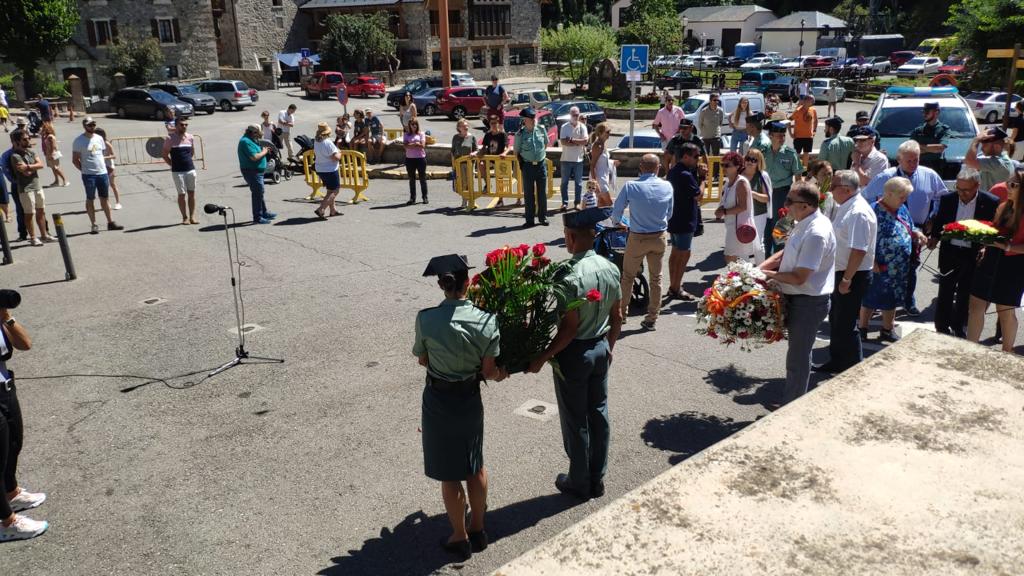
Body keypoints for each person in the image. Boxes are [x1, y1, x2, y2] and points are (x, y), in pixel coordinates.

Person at [413, 254, 505, 561]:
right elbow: (490, 371)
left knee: (449, 473)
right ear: (469, 283)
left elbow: (422, 357)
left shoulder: (426, 319)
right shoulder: (487, 320)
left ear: (441, 285)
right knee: (474, 462)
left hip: (439, 399)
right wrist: (501, 372)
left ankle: (459, 536)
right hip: (469, 397)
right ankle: (478, 528)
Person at [527, 208, 622, 501]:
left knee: (575, 420)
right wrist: (609, 347)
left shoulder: (569, 274)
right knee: (599, 414)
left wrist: (542, 357)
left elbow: (569, 329)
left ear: (570, 237)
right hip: (600, 347)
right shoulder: (610, 267)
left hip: (575, 353)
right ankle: (598, 478)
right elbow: (617, 317)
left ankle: (579, 481)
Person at [759, 181, 836, 408]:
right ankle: (792, 400)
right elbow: (785, 252)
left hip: (808, 302)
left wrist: (764, 274)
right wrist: (758, 270)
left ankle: (792, 406)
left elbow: (800, 276)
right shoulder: (803, 222)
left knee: (798, 358)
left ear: (804, 205)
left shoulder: (816, 233)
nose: (785, 205)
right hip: (799, 298)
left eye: (789, 201)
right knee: (796, 355)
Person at [862, 140, 945, 315]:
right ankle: (877, 303)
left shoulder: (929, 175)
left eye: (916, 160)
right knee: (882, 271)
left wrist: (933, 217)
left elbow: (941, 197)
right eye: (909, 160)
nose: (914, 164)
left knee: (910, 267)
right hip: (885, 230)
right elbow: (865, 198)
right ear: (899, 159)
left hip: (917, 228)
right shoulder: (885, 177)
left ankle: (908, 300)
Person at [813, 170, 876, 374]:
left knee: (846, 323)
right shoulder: (847, 206)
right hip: (843, 272)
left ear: (847, 189)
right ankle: (838, 361)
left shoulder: (858, 212)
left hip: (852, 275)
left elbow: (859, 250)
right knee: (837, 320)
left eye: (834, 187)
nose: (830, 190)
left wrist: (847, 279)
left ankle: (853, 369)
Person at [0, 290, 50, 542]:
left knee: (13, 445)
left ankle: (12, 493)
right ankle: (6, 522)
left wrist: (6, 317)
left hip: (5, 388)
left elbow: (25, 344)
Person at [928, 167, 999, 337]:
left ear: (977, 186)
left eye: (966, 190)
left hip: (972, 254)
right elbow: (939, 222)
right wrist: (934, 238)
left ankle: (959, 326)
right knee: (945, 290)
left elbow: (993, 229)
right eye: (958, 189)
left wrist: (985, 246)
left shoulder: (990, 202)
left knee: (965, 293)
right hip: (950, 252)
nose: (962, 194)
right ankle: (942, 327)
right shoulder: (948, 199)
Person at [610, 154, 674, 330]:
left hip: (637, 236)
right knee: (656, 278)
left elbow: (617, 211)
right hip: (659, 236)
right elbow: (670, 213)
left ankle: (622, 313)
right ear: (658, 167)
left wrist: (619, 223)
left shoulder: (631, 186)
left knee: (628, 276)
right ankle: (652, 317)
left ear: (640, 167)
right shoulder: (667, 186)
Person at [967, 167, 1024, 353]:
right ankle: (970, 347)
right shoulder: (1003, 207)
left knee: (1005, 310)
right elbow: (995, 233)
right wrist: (985, 244)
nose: (1008, 187)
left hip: (1013, 265)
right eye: (1008, 182)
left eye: (1013, 184)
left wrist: (1007, 247)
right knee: (976, 305)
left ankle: (1007, 351)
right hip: (991, 259)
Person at [859, 177, 922, 342]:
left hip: (899, 266)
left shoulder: (901, 209)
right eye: (902, 197)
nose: (904, 200)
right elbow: (864, 239)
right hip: (879, 266)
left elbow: (910, 225)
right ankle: (862, 328)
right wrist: (871, 261)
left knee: (892, 299)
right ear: (888, 194)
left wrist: (917, 233)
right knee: (870, 299)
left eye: (905, 197)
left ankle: (887, 329)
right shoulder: (873, 211)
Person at [71, 117, 123, 234]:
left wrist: (105, 168)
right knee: (90, 198)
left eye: (93, 124)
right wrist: (84, 170)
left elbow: (100, 155)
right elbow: (75, 159)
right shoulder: (79, 141)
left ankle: (110, 222)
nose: (92, 127)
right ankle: (94, 224)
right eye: (90, 125)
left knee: (104, 198)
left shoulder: (99, 138)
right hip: (89, 174)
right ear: (85, 126)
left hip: (102, 173)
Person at [666, 143, 702, 300]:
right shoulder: (686, 175)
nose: (698, 159)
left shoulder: (674, 171)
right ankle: (676, 287)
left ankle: (673, 286)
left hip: (674, 218)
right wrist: (703, 179)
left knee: (675, 253)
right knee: (683, 254)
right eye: (695, 156)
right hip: (685, 220)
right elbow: (698, 195)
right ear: (685, 156)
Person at [763, 121, 803, 256]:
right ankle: (767, 256)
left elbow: (798, 177)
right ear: (770, 136)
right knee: (766, 225)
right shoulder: (764, 152)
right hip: (765, 192)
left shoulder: (790, 154)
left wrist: (798, 197)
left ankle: (779, 256)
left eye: (783, 135)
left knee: (780, 225)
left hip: (782, 193)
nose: (781, 138)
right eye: (778, 135)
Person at [9, 130, 56, 246]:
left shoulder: (31, 152)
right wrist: (32, 167)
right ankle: (33, 237)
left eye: (28, 138)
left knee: (41, 211)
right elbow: (25, 173)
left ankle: (44, 235)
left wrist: (29, 166)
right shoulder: (15, 156)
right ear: (17, 142)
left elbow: (41, 165)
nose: (28, 140)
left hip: (37, 186)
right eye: (24, 139)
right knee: (29, 213)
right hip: (25, 189)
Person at [715, 151, 759, 263]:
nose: (724, 168)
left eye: (727, 165)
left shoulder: (741, 183)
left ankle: (736, 279)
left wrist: (724, 212)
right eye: (722, 165)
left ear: (737, 166)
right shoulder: (727, 183)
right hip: (732, 226)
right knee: (734, 259)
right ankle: (737, 279)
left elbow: (743, 207)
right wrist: (720, 210)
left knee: (730, 257)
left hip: (739, 227)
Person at [514, 107, 549, 228]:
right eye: (530, 118)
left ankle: (543, 217)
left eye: (534, 118)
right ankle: (529, 220)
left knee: (542, 193)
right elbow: (516, 151)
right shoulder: (520, 134)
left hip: (540, 164)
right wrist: (523, 164)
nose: (533, 120)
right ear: (525, 120)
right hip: (528, 166)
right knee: (529, 194)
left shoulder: (541, 129)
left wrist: (540, 156)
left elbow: (545, 143)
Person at [161, 118, 199, 225]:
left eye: (186, 124)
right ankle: (184, 217)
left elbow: (191, 153)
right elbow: (164, 155)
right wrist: (173, 165)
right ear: (176, 125)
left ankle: (192, 217)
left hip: (190, 169)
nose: (184, 126)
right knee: (182, 194)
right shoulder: (170, 138)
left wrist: (186, 162)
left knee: (191, 194)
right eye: (182, 125)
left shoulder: (190, 137)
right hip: (178, 172)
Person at [237, 125, 276, 224]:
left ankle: (264, 212)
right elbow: (254, 157)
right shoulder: (245, 142)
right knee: (257, 193)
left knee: (259, 192)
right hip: (251, 171)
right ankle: (257, 217)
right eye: (257, 133)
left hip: (257, 171)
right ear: (252, 132)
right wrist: (264, 151)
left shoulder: (251, 139)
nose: (259, 135)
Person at [742, 148, 772, 264]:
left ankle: (760, 271)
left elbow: (767, 198)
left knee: (758, 244)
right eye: (748, 158)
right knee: (742, 244)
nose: (750, 161)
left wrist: (752, 193)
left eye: (754, 160)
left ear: (759, 162)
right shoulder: (739, 174)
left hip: (759, 214)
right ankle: (743, 273)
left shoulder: (762, 176)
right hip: (742, 213)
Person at [964, 126, 1015, 193]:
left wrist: (976, 140)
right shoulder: (992, 158)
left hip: (994, 202)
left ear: (997, 147)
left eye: (985, 145)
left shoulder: (1001, 163)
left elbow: (969, 161)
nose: (982, 149)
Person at [311, 122, 343, 219]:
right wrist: (340, 153)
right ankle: (321, 209)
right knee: (335, 190)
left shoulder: (317, 141)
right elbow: (336, 157)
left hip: (320, 168)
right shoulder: (328, 142)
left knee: (330, 190)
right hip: (330, 169)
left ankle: (333, 210)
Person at [559, 106, 588, 211]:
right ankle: (564, 203)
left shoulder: (583, 127)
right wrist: (577, 142)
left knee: (578, 183)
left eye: (577, 115)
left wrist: (571, 140)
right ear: (570, 114)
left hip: (578, 159)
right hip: (566, 159)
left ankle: (577, 203)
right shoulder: (564, 126)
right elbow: (563, 142)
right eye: (573, 114)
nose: (575, 116)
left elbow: (585, 141)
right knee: (564, 183)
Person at [909, 102, 949, 173]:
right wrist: (932, 149)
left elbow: (940, 148)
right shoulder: (918, 130)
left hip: (936, 167)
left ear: (936, 112)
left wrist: (920, 147)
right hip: (919, 167)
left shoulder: (943, 129)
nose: (924, 114)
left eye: (927, 112)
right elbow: (911, 149)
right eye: (923, 112)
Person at [653, 96, 685, 173]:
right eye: (669, 100)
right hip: (665, 138)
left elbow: (684, 121)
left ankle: (673, 172)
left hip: (676, 138)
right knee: (666, 156)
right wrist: (660, 134)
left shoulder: (678, 110)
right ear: (665, 102)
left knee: (675, 155)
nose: (671, 102)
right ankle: (667, 172)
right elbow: (655, 125)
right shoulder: (661, 112)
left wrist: (680, 131)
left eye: (672, 100)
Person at [93, 127, 122, 211]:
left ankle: (118, 202)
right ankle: (107, 203)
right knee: (103, 186)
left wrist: (104, 157)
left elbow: (114, 155)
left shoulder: (107, 143)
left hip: (109, 166)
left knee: (112, 184)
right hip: (100, 167)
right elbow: (93, 153)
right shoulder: (94, 144)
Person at [451, 119, 477, 208]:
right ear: (459, 128)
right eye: (463, 126)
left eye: (466, 125)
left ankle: (471, 200)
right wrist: (453, 165)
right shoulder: (455, 137)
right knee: (463, 182)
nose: (465, 127)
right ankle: (464, 199)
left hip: (470, 163)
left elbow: (476, 149)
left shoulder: (472, 137)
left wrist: (474, 153)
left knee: (470, 181)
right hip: (459, 164)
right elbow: (453, 151)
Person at [589, 123, 615, 207]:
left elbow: (602, 161)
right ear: (600, 133)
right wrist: (595, 183)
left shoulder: (603, 144)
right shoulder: (598, 146)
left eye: (609, 132)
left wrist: (613, 162)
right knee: (609, 204)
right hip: (599, 179)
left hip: (604, 177)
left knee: (602, 204)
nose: (609, 134)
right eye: (607, 132)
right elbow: (592, 165)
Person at [403, 119, 428, 205]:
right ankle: (412, 198)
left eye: (415, 124)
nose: (414, 126)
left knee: (422, 178)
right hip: (409, 159)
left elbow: (422, 146)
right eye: (412, 124)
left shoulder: (421, 134)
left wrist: (412, 144)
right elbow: (405, 146)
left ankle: (425, 197)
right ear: (409, 125)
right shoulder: (406, 134)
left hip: (420, 158)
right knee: (411, 179)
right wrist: (415, 144)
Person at [789, 94, 817, 170]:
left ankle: (804, 170)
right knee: (797, 154)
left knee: (806, 154)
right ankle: (796, 169)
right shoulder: (798, 111)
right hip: (798, 136)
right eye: (811, 100)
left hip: (809, 136)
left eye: (812, 100)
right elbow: (788, 121)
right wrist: (791, 133)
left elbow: (815, 121)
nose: (812, 102)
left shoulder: (813, 110)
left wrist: (814, 130)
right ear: (805, 101)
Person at [39, 122, 68, 188]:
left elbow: (53, 146)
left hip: (53, 154)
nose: (42, 129)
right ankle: (56, 181)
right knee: (53, 168)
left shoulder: (50, 137)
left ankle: (65, 180)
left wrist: (51, 154)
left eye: (44, 128)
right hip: (48, 153)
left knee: (56, 168)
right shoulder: (45, 136)